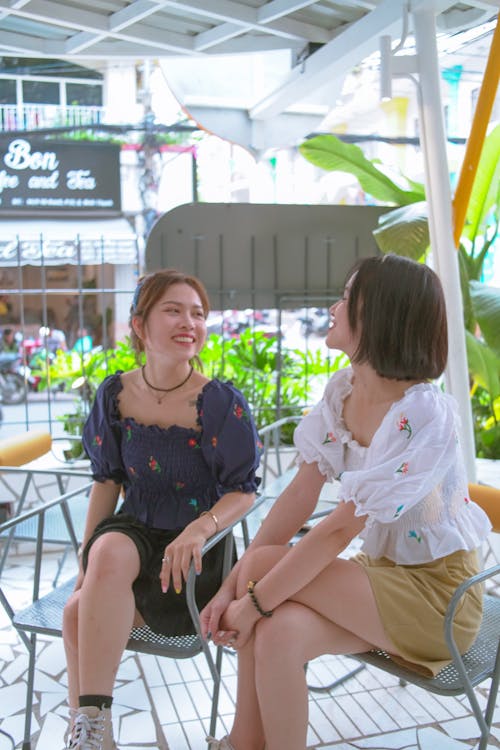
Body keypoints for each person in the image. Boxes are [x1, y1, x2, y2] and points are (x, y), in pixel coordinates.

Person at [200, 254, 492, 750]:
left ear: (378, 316)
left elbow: (338, 531)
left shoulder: (422, 413)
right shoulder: (344, 393)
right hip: (381, 579)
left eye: (347, 298)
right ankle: (242, 743)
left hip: (441, 600)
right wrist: (233, 589)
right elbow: (298, 496)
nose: (334, 307)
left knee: (267, 576)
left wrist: (249, 600)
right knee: (279, 634)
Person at [62, 269, 262, 750]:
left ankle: (90, 731)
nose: (188, 322)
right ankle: (92, 733)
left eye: (197, 313)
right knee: (103, 556)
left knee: (74, 616)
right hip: (134, 531)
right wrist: (86, 561)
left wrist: (201, 526)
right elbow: (107, 481)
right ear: (139, 324)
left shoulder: (219, 403)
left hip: (195, 551)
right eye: (173, 310)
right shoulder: (115, 395)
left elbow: (244, 491)